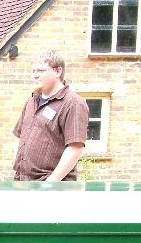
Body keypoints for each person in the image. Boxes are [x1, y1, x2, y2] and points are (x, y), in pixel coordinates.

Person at [12, 50, 89, 181]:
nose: (35, 76)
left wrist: (50, 183)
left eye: (41, 71)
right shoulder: (32, 100)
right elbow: (20, 138)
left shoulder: (73, 103)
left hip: (53, 187)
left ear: (58, 71)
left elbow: (75, 148)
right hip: (24, 182)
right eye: (33, 71)